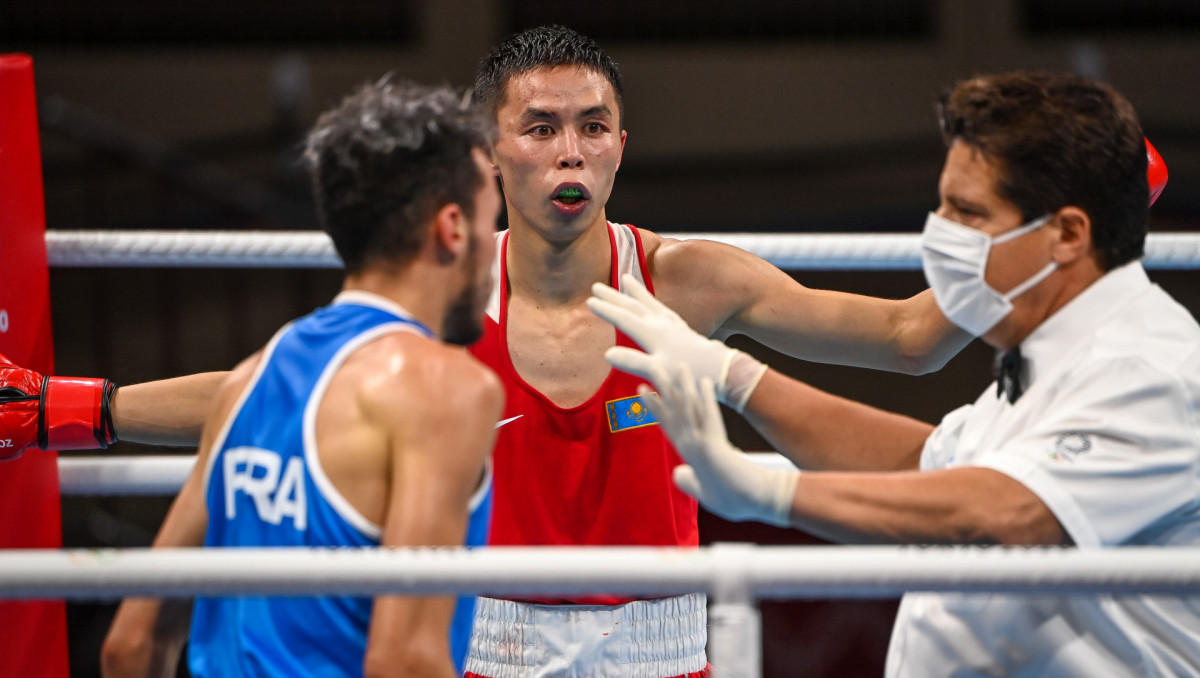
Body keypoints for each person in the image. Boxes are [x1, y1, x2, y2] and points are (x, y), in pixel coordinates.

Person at [0, 26, 1169, 676]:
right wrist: (77, 406)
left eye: (593, 125)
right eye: (541, 126)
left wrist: (1100, 204)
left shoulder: (688, 279)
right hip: (486, 634)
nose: (571, 148)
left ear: (621, 145)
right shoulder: (451, 289)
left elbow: (913, 342)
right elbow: (271, 389)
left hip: (662, 637)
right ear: (491, 150)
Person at [593, 71, 1200, 677]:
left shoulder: (1146, 369)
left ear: (1068, 234)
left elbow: (1005, 515)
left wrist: (771, 492)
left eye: (967, 212)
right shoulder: (1046, 359)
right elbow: (925, 465)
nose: (941, 230)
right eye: (943, 203)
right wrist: (736, 377)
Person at [99, 77, 505, 677]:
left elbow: (130, 646)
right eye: (489, 223)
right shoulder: (444, 388)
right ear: (451, 229)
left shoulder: (247, 381)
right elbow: (405, 660)